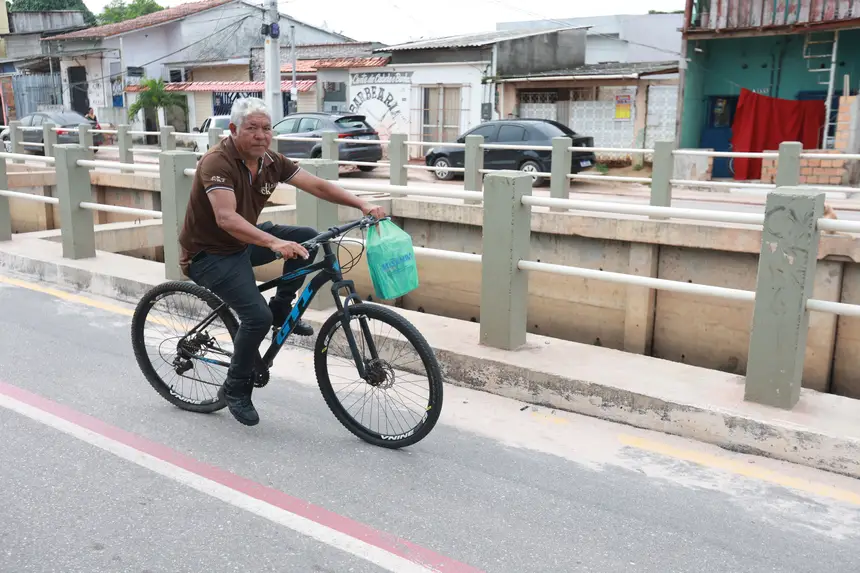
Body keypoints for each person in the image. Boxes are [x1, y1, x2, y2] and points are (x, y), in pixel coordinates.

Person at [178, 97, 386, 427]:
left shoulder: (270, 161)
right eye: (252, 128)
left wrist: (361, 203)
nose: (261, 135)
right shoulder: (216, 162)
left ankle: (281, 308)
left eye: (266, 129)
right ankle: (235, 388)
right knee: (254, 318)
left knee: (306, 237)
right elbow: (226, 217)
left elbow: (316, 185)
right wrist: (275, 243)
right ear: (233, 130)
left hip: (241, 244)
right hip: (209, 254)